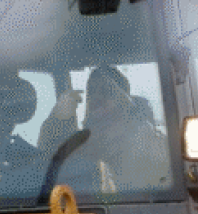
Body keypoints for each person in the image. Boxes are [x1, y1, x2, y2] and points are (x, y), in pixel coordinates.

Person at [38, 64, 168, 194]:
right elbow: (47, 160)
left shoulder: (144, 137)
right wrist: (56, 119)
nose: (97, 98)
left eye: (106, 92)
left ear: (123, 99)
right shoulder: (83, 139)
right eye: (92, 92)